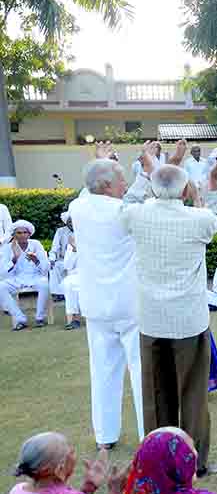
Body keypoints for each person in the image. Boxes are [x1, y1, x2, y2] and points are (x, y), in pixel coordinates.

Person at [120, 140, 217, 477]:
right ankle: (194, 463)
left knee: (157, 393)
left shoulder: (137, 215)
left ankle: (157, 462)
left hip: (152, 319)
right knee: (193, 395)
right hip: (188, 320)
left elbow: (128, 202)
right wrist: (210, 183)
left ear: (153, 187)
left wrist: (147, 169)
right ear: (184, 190)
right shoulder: (197, 220)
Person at [69, 143, 148, 448]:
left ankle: (105, 437)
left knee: (102, 371)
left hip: (96, 304)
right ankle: (147, 434)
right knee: (141, 372)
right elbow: (140, 198)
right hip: (129, 304)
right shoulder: (123, 212)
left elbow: (86, 193)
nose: (125, 184)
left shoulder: (79, 208)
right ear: (105, 185)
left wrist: (101, 160)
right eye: (119, 179)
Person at [0, 219, 50, 330]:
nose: (22, 235)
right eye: (19, 233)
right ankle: (20, 319)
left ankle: (39, 317)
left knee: (44, 283)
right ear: (14, 235)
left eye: (25, 232)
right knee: (1, 287)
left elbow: (46, 268)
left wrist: (36, 260)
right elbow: (2, 271)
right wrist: (14, 259)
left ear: (29, 234)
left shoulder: (36, 244)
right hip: (16, 278)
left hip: (34, 277)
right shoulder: (7, 248)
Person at [47, 211, 74, 300]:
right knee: (53, 266)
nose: (72, 223)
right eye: (69, 221)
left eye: (74, 221)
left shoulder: (83, 230)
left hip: (78, 261)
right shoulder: (60, 231)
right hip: (63, 260)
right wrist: (52, 259)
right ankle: (58, 294)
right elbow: (54, 248)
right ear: (66, 222)